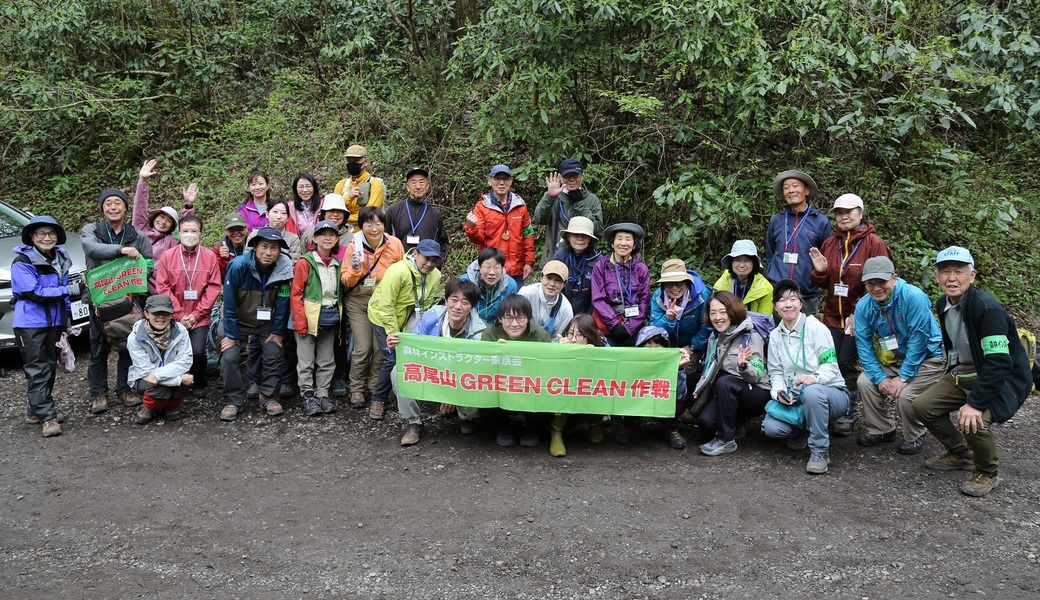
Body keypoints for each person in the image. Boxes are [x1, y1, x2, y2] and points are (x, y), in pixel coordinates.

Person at [913, 247, 1032, 497]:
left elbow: (999, 362)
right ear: (937, 277)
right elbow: (954, 344)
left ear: (973, 275)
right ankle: (961, 454)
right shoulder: (943, 303)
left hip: (1000, 377)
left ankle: (987, 471)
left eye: (959, 271)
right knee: (923, 406)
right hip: (963, 372)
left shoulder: (987, 309)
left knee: (972, 421)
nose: (952, 278)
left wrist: (975, 404)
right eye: (945, 272)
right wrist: (949, 370)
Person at [808, 193, 891, 436]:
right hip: (834, 314)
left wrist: (858, 311)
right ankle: (832, 407)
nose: (844, 216)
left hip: (863, 315)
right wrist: (821, 272)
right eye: (839, 213)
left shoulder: (874, 244)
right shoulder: (831, 243)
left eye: (849, 211)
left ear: (861, 213)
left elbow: (882, 285)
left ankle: (849, 411)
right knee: (829, 361)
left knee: (846, 362)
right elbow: (821, 284)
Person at [854, 256, 945, 455]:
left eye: (882, 282)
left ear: (894, 278)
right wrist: (880, 379)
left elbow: (919, 340)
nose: (876, 288)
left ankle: (916, 434)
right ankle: (882, 429)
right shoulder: (864, 306)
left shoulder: (913, 297)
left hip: (928, 357)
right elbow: (864, 345)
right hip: (896, 358)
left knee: (905, 395)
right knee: (865, 382)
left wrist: (903, 377)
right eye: (871, 283)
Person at [761, 279, 850, 474]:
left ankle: (819, 451)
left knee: (812, 393)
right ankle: (804, 429)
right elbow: (775, 372)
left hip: (831, 393)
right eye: (782, 300)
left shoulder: (815, 328)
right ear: (775, 307)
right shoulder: (775, 336)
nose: (788, 304)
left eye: (793, 299)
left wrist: (814, 378)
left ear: (801, 304)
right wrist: (779, 393)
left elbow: (831, 366)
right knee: (771, 428)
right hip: (796, 397)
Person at [81, 187, 154, 413]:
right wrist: (122, 251)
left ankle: (124, 389)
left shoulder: (137, 235)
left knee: (128, 345)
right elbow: (92, 249)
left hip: (129, 299)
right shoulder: (91, 230)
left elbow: (149, 262)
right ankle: (98, 393)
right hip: (99, 299)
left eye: (118, 203)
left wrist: (139, 274)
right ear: (102, 208)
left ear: (125, 207)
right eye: (108, 203)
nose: (113, 207)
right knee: (97, 348)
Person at [397, 278, 488, 446]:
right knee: (398, 371)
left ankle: (466, 417)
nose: (458, 306)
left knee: (477, 378)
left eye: (465, 302)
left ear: (472, 307)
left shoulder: (479, 331)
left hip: (460, 377)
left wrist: (451, 393)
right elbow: (413, 345)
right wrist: (395, 345)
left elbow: (476, 368)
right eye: (454, 300)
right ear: (446, 300)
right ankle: (414, 423)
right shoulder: (432, 317)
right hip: (432, 371)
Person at [11, 216, 78, 437]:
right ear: (32, 236)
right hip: (30, 322)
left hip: (55, 321)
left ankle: (35, 410)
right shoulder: (23, 261)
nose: (46, 238)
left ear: (58, 236)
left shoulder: (61, 258)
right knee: (38, 367)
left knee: (49, 366)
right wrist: (68, 291)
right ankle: (47, 417)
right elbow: (34, 292)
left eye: (51, 233)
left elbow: (63, 287)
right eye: (41, 233)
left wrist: (67, 317)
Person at [218, 227, 294, 421]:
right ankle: (233, 400)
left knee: (274, 352)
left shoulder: (284, 268)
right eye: (264, 247)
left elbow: (283, 303)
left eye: (274, 248)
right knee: (230, 355)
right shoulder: (238, 266)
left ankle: (268, 395)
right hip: (238, 320)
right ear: (255, 247)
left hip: (266, 322)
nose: (268, 253)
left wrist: (277, 332)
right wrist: (233, 336)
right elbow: (229, 303)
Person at [367, 239, 445, 421]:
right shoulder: (398, 272)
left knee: (409, 353)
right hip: (382, 316)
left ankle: (407, 390)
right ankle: (378, 398)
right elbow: (386, 306)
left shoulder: (435, 275)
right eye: (426, 258)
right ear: (415, 253)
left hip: (408, 316)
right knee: (392, 356)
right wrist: (394, 334)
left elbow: (427, 304)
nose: (429, 264)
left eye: (434, 261)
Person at [341, 206, 405, 409]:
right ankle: (357, 387)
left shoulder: (394, 244)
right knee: (363, 347)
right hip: (359, 302)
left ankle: (375, 384)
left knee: (381, 347)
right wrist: (354, 270)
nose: (374, 228)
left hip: (383, 303)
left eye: (378, 223)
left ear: (384, 225)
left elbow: (403, 271)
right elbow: (345, 281)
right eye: (368, 223)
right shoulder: (354, 244)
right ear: (362, 226)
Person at [695, 291, 770, 456]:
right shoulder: (714, 337)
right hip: (729, 392)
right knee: (706, 423)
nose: (717, 317)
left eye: (723, 312)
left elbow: (757, 374)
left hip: (757, 392)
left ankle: (725, 439)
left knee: (726, 382)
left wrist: (743, 366)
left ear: (732, 311)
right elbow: (710, 367)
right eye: (713, 312)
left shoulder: (750, 336)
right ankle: (738, 422)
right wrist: (700, 388)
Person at [154, 215, 222, 395]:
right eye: (185, 231)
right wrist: (178, 315)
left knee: (198, 352)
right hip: (174, 316)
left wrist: (197, 314)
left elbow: (214, 286)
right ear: (178, 233)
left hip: (199, 316)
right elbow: (162, 285)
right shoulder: (168, 256)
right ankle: (177, 383)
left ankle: (199, 382)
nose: (189, 234)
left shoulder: (209, 256)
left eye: (193, 231)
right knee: (173, 349)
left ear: (201, 234)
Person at [481, 295, 553, 447]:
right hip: (501, 387)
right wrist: (496, 351)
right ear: (500, 318)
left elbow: (549, 369)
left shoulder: (541, 336)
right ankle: (502, 428)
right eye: (508, 318)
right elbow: (483, 368)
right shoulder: (490, 334)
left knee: (548, 390)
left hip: (530, 387)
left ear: (528, 318)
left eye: (520, 318)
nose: (514, 324)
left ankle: (533, 429)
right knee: (483, 388)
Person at [291, 220, 343, 417]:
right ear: (314, 238)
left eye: (332, 234)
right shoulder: (306, 262)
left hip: (329, 316)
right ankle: (307, 395)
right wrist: (300, 322)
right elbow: (296, 294)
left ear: (337, 238)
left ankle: (322, 393)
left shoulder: (337, 264)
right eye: (322, 234)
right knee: (306, 359)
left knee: (326, 359)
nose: (327, 238)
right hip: (309, 316)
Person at [764, 170, 831, 315]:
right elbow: (770, 253)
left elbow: (826, 257)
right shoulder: (776, 220)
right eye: (786, 187)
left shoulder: (820, 221)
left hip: (806, 294)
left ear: (806, 190)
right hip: (778, 294)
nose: (791, 190)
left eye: (795, 186)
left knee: (806, 336)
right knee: (778, 335)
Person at [615, 326, 691, 449]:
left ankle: (671, 429)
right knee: (625, 391)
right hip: (639, 402)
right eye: (648, 347)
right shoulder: (631, 364)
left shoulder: (672, 365)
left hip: (662, 402)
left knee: (679, 397)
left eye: (657, 347)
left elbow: (680, 393)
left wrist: (678, 369)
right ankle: (631, 426)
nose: (653, 351)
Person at [464, 164, 535, 288]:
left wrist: (528, 262)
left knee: (515, 306)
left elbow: (528, 235)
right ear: (490, 181)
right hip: (492, 270)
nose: (501, 183)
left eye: (505, 179)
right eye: (497, 179)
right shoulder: (482, 207)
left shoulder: (520, 206)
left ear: (511, 181)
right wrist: (471, 227)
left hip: (516, 269)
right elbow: (478, 239)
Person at [127, 295, 193, 425]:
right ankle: (149, 408)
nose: (161, 317)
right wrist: (178, 380)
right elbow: (147, 372)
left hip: (160, 375)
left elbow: (185, 360)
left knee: (184, 384)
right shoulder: (134, 338)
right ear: (146, 313)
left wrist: (158, 375)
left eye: (165, 313)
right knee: (161, 390)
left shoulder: (181, 331)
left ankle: (171, 406)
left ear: (171, 314)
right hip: (144, 378)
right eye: (156, 313)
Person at [550, 314, 609, 455]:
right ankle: (556, 432)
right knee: (562, 390)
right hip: (565, 399)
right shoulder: (559, 343)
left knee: (596, 390)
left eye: (580, 335)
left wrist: (593, 357)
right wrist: (561, 352)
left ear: (590, 335)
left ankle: (595, 424)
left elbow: (610, 371)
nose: (573, 339)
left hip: (588, 396)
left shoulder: (602, 345)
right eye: (570, 333)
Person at [533, 158, 604, 265]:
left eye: (575, 176)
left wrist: (579, 203)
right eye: (567, 176)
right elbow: (539, 219)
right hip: (554, 257)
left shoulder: (591, 199)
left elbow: (597, 229)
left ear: (582, 176)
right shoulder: (553, 197)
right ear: (560, 177)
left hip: (584, 260)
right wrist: (550, 197)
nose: (571, 180)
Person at [591, 223, 650, 347]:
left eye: (628, 239)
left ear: (634, 245)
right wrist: (614, 325)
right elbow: (598, 299)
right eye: (619, 238)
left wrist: (630, 328)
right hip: (607, 327)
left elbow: (644, 302)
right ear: (612, 243)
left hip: (633, 328)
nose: (623, 243)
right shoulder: (601, 267)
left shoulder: (641, 269)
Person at [131, 159, 197, 264]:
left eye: (169, 221)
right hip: (136, 278)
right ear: (155, 217)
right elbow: (139, 209)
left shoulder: (172, 241)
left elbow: (185, 227)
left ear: (172, 226)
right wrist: (142, 180)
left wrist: (188, 205)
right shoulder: (141, 231)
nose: (163, 222)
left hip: (159, 280)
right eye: (162, 217)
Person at [384, 167, 448, 258]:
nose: (418, 186)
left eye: (421, 182)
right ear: (407, 186)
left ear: (427, 186)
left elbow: (443, 243)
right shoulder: (394, 210)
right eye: (413, 182)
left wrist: (437, 264)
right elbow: (384, 239)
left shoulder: (434, 214)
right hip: (399, 265)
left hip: (426, 266)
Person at [551, 216, 602, 315]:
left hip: (590, 312)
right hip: (562, 309)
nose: (580, 238)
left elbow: (599, 294)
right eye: (575, 234)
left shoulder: (598, 260)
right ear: (568, 237)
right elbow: (553, 286)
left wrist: (588, 318)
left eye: (584, 235)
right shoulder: (560, 256)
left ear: (590, 239)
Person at [333, 145, 386, 230]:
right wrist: (348, 197)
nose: (352, 163)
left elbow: (370, 213)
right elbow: (334, 209)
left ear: (366, 162)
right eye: (349, 160)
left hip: (366, 232)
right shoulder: (341, 184)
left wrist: (343, 218)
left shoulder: (375, 184)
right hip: (342, 232)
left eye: (356, 160)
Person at [460, 247, 518, 326]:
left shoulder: (510, 286)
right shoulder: (465, 282)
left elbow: (509, 316)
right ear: (480, 268)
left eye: (496, 268)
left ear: (502, 269)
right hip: (468, 326)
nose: (492, 272)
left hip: (496, 329)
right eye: (487, 267)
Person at [714, 240, 773, 315]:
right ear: (731, 262)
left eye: (747, 261)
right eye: (737, 260)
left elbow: (765, 321)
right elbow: (716, 314)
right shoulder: (721, 285)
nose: (741, 265)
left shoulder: (766, 289)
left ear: (754, 263)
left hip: (754, 326)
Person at [518, 260, 573, 338]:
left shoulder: (566, 309)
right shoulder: (526, 293)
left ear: (564, 284)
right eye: (549, 278)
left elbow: (560, 338)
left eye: (557, 280)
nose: (552, 284)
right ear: (541, 277)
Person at [214, 212, 249, 279]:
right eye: (231, 230)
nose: (236, 233)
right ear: (226, 231)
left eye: (240, 228)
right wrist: (224, 259)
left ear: (246, 229)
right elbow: (219, 276)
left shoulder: (255, 245)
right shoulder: (218, 249)